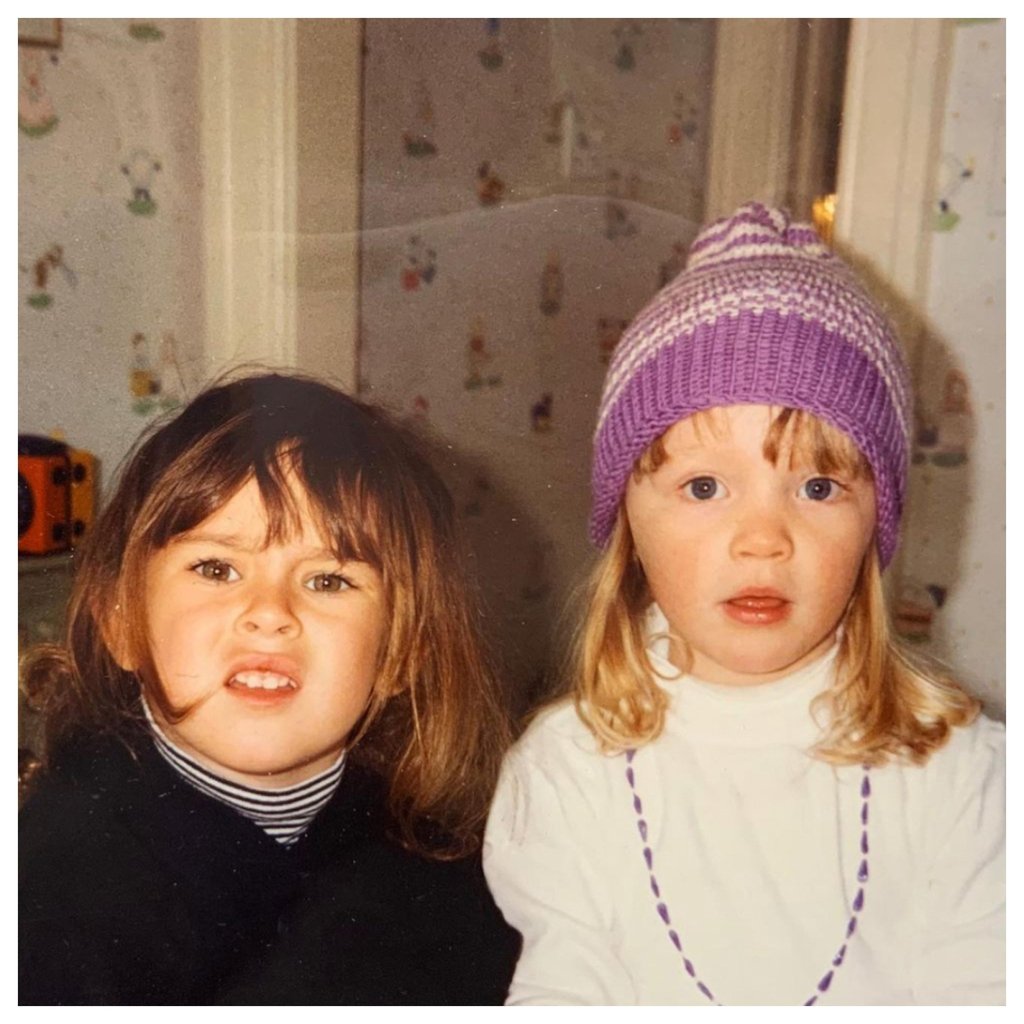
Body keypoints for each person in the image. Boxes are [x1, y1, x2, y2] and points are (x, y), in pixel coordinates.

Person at [483, 202, 1004, 1005]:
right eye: (703, 486)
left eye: (819, 486)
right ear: (628, 524)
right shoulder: (564, 778)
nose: (763, 537)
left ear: (877, 524)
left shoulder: (959, 778)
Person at [20, 371, 520, 1005]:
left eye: (328, 581)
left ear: (399, 653)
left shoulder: (449, 879)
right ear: (121, 621)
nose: (270, 612)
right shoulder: (55, 892)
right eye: (217, 568)